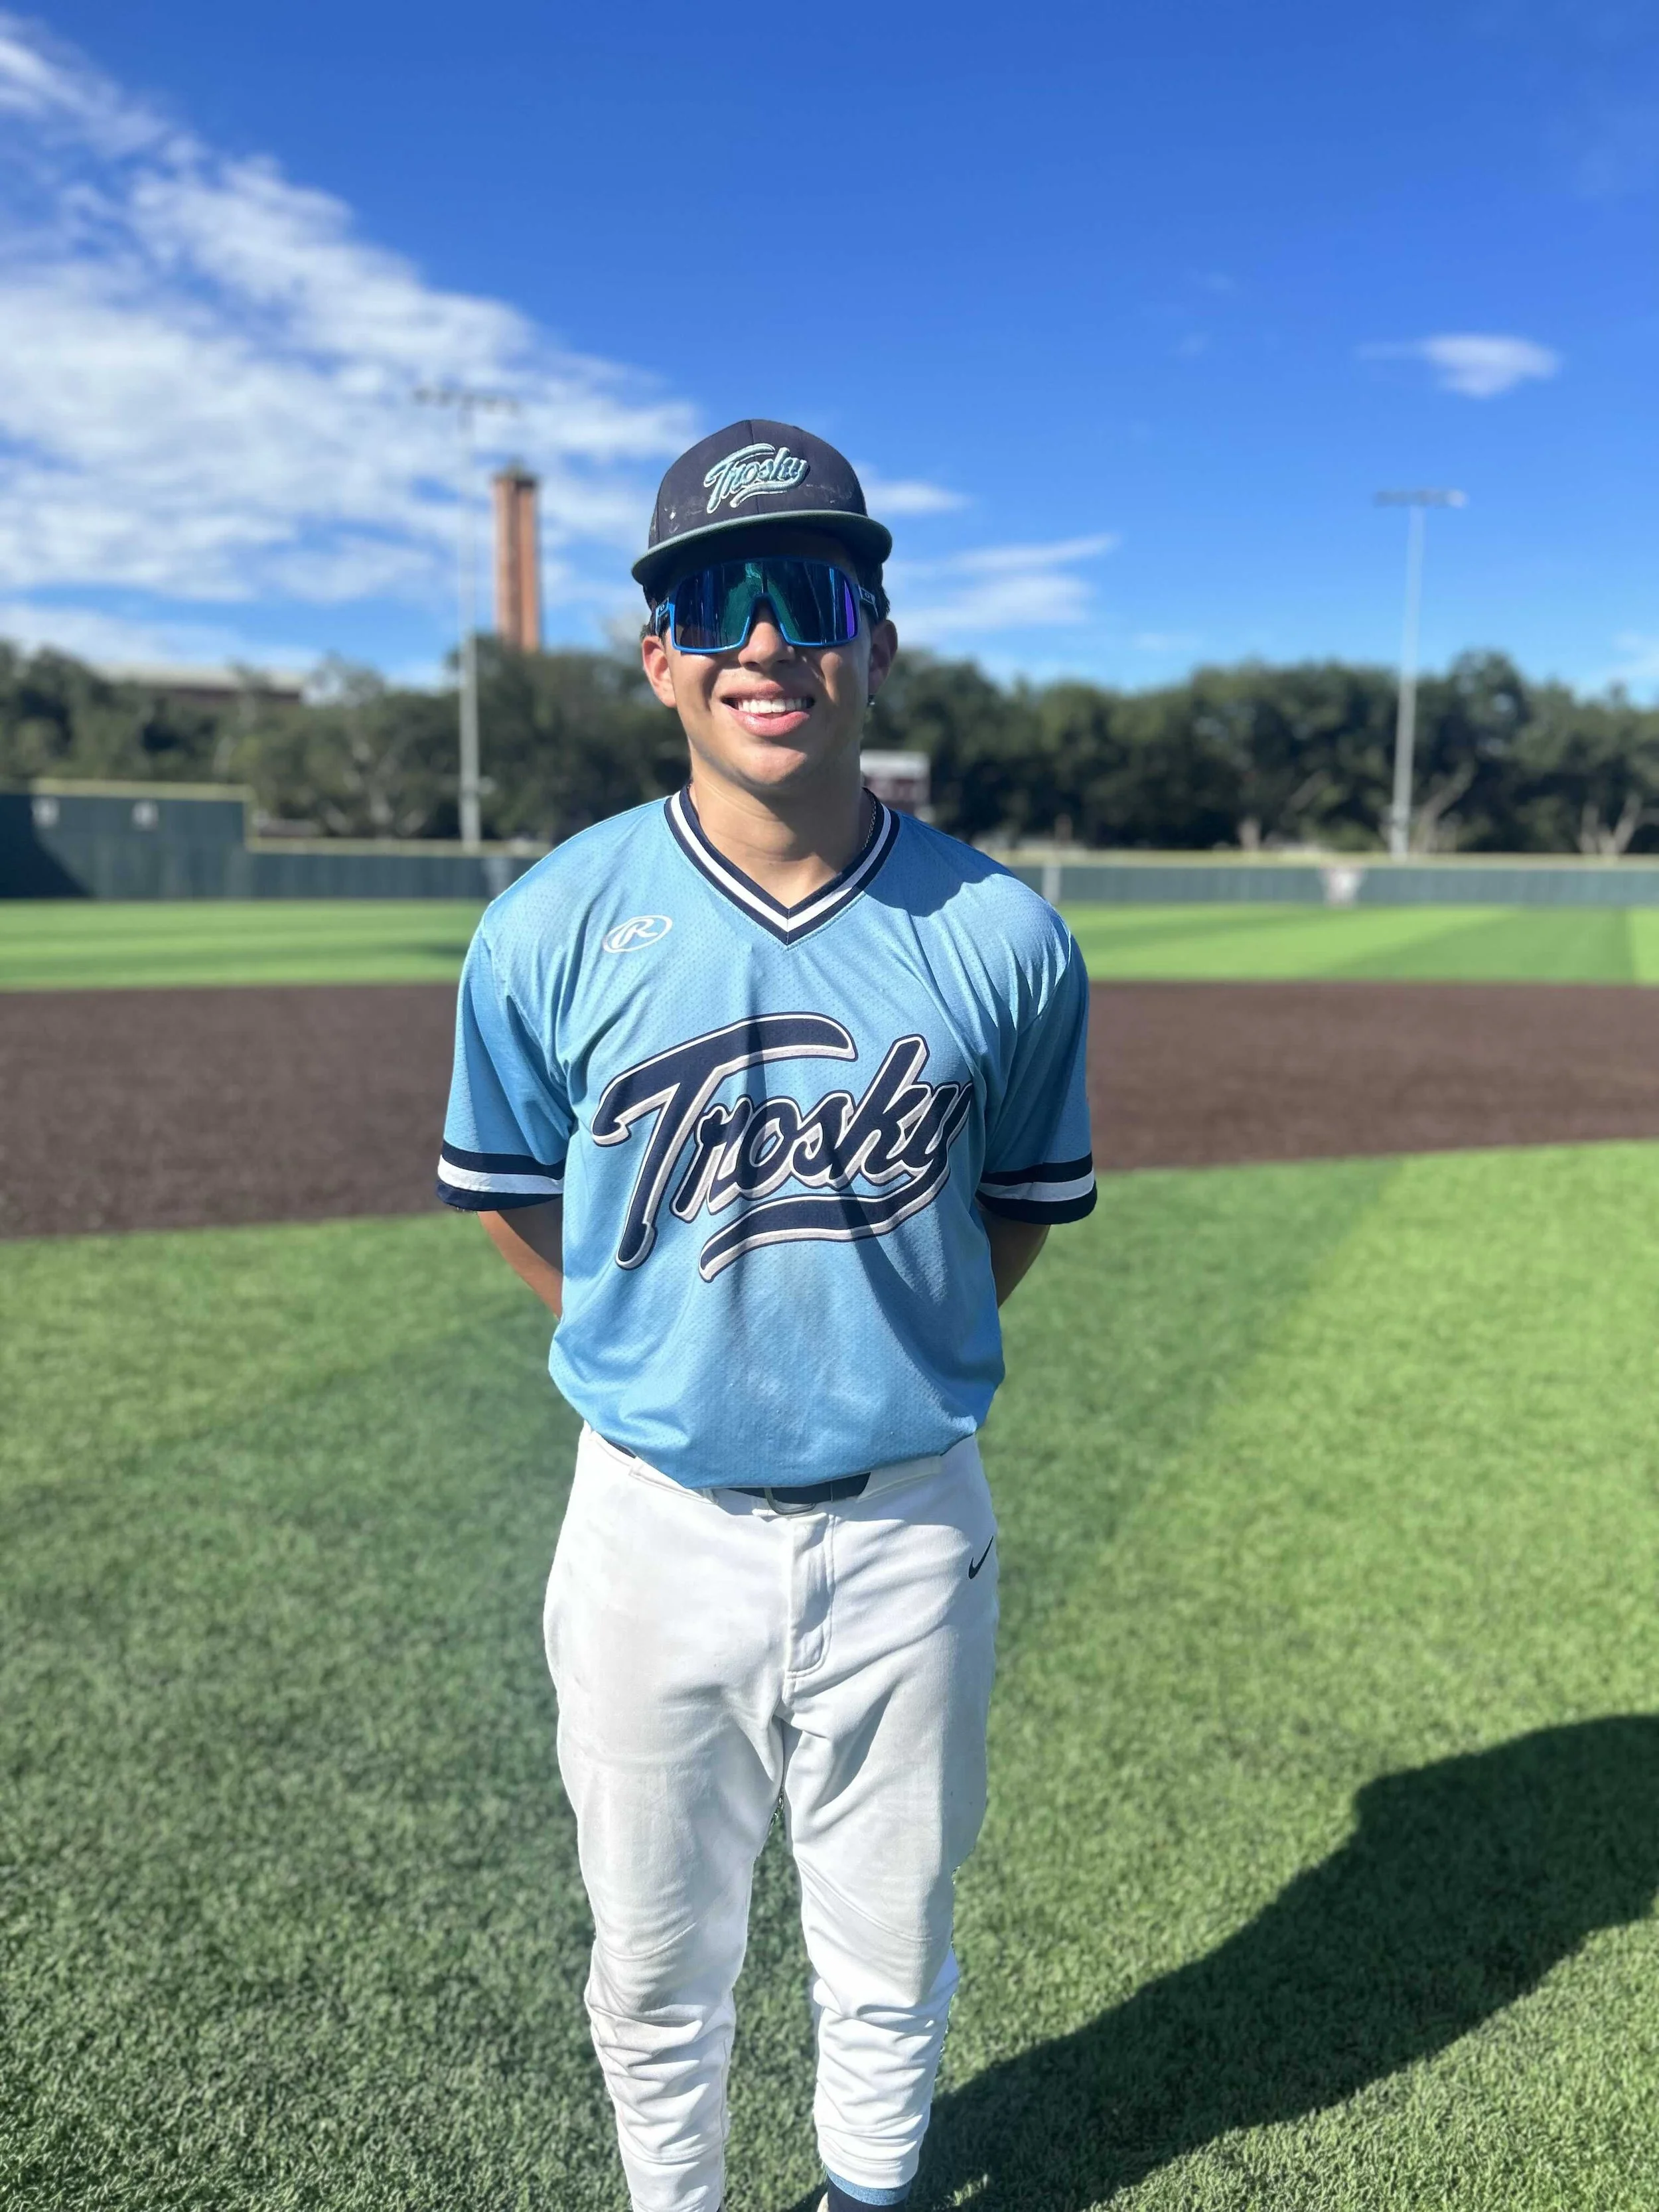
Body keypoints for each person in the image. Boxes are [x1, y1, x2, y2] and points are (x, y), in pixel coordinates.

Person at [437, 420, 1096, 2212]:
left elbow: (1008, 1217)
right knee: (655, 1967)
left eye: (804, 592)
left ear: (871, 634)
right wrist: (650, 1338)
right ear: (655, 651)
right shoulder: (550, 923)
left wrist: (874, 1348)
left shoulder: (1003, 939)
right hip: (649, 1521)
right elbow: (505, 1186)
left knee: (888, 1948)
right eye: (705, 601)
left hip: (904, 1525)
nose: (758, 640)